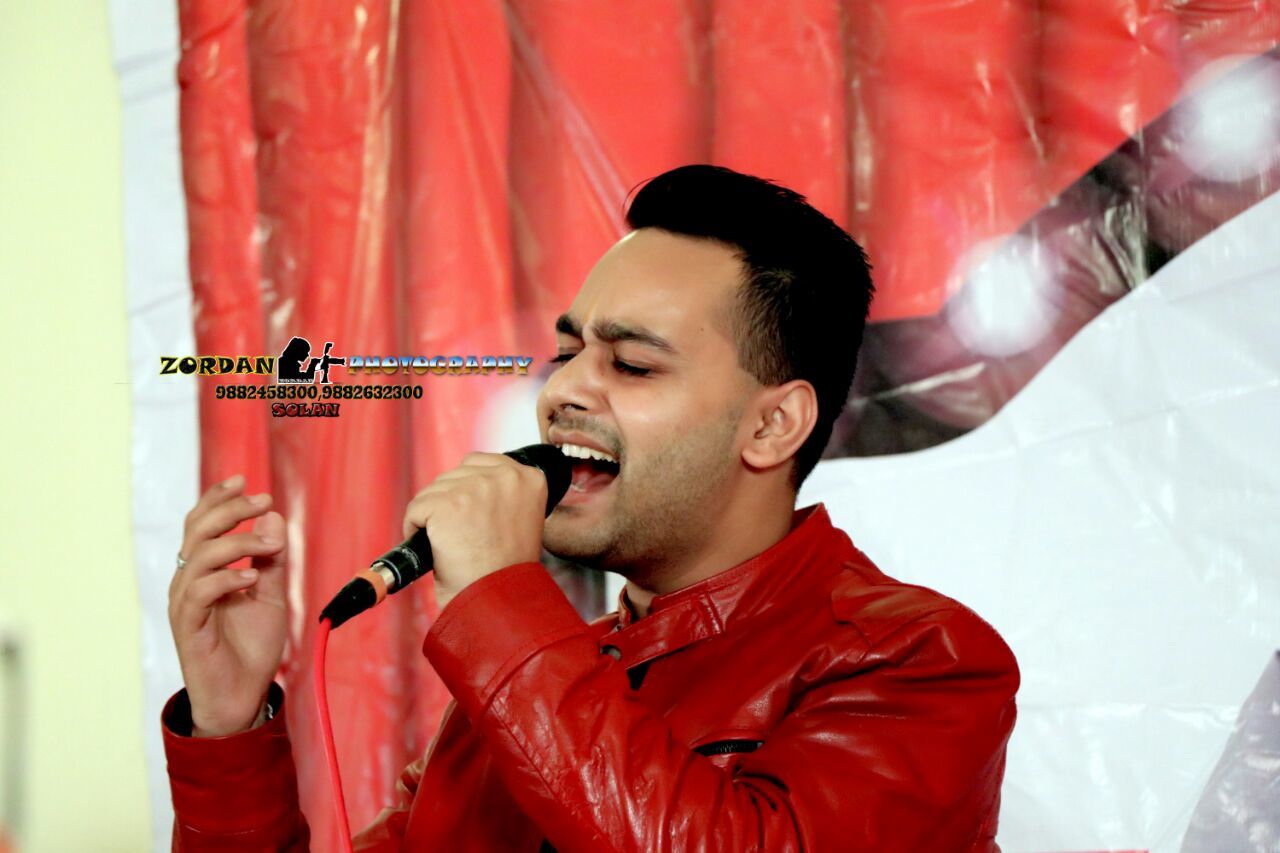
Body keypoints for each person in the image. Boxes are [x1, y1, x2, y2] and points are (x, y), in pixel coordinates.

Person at [163, 165, 1020, 851]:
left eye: (632, 365)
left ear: (771, 425)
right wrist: (228, 730)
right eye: (567, 351)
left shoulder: (921, 659)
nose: (562, 391)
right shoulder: (513, 695)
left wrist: (499, 608)